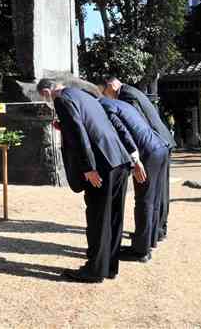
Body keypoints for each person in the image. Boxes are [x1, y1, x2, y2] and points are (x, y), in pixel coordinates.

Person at [37, 78, 133, 283]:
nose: (46, 101)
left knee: (98, 216)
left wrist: (88, 167)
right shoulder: (84, 95)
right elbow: (91, 125)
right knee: (114, 216)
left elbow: (79, 133)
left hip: (101, 164)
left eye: (43, 97)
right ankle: (109, 266)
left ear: (47, 91)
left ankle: (94, 270)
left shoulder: (61, 100)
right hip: (118, 159)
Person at [102, 77, 174, 242]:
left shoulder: (127, 97)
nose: (107, 96)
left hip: (152, 143)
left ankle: (151, 234)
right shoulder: (133, 91)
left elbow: (133, 127)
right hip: (161, 141)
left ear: (111, 85)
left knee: (150, 195)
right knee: (159, 191)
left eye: (105, 91)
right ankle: (157, 231)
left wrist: (135, 157)